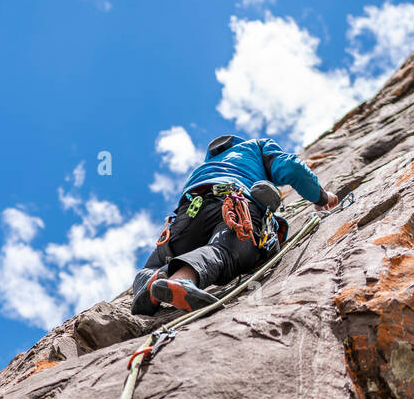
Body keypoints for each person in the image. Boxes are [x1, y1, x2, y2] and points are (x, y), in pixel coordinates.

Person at [131, 134, 339, 315]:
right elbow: (291, 168)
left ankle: (149, 279)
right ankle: (180, 280)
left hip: (188, 213)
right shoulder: (255, 146)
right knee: (226, 251)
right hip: (234, 204)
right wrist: (321, 197)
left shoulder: (204, 167)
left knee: (162, 257)